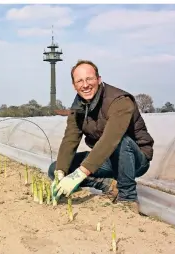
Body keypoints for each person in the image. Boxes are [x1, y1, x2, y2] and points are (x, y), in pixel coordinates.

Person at [49, 59, 154, 214]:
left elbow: (110, 140)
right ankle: (109, 186)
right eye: (79, 81)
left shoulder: (119, 101)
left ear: (98, 79)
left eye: (89, 79)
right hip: (106, 159)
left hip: (134, 158)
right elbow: (70, 139)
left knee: (121, 140)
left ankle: (128, 197)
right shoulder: (78, 106)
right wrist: (60, 173)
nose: (85, 85)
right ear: (74, 85)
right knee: (54, 168)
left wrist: (78, 175)